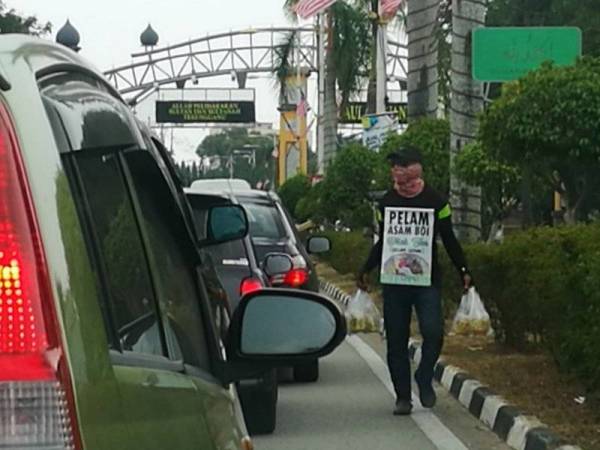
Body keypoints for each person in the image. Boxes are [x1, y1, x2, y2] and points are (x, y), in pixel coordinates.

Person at [357, 147, 472, 416]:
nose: (397, 171)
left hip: (427, 281)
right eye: (394, 166)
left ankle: (423, 376)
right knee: (396, 341)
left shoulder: (437, 202)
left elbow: (450, 238)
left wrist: (464, 269)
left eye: (402, 165)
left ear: (416, 168)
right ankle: (403, 397)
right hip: (395, 283)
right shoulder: (385, 203)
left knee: (433, 333)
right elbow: (383, 241)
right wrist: (365, 269)